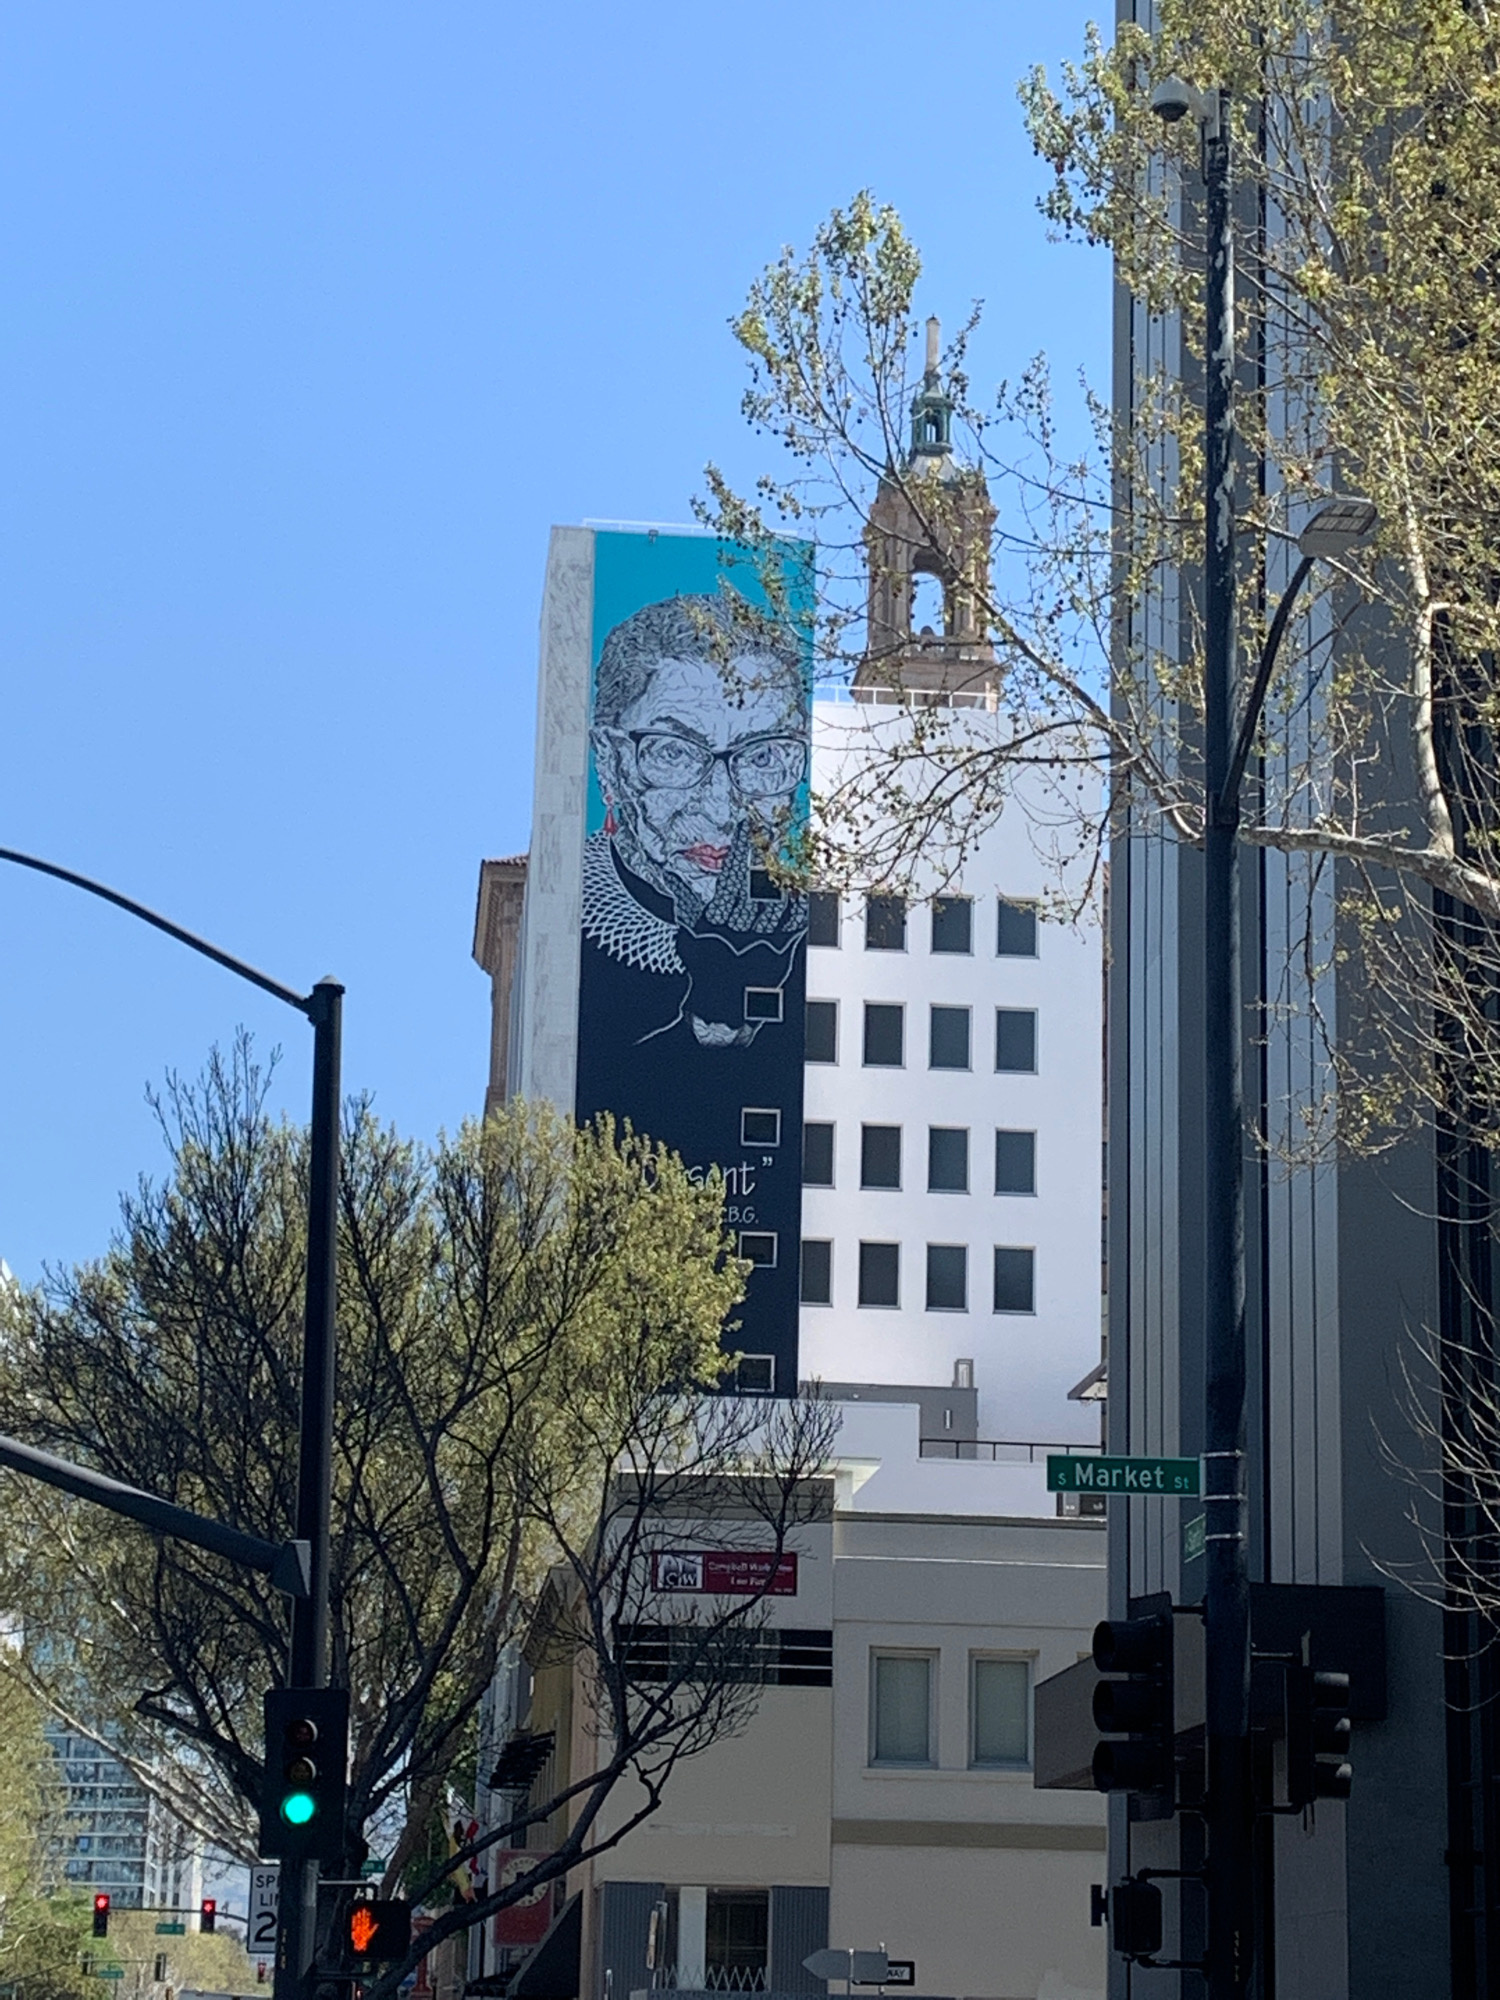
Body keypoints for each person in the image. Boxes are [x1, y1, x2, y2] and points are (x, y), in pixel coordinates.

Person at [581, 588, 808, 1051]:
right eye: (675, 753)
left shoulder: (821, 937)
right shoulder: (572, 924)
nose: (722, 810)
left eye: (764, 755)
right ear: (610, 762)